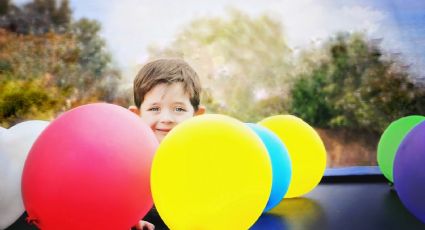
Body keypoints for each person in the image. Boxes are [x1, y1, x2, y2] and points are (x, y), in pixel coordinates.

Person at [129, 58, 205, 230]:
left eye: (178, 109)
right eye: (154, 109)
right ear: (136, 115)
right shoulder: (127, 164)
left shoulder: (202, 163)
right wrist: (129, 219)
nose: (166, 119)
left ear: (197, 116)